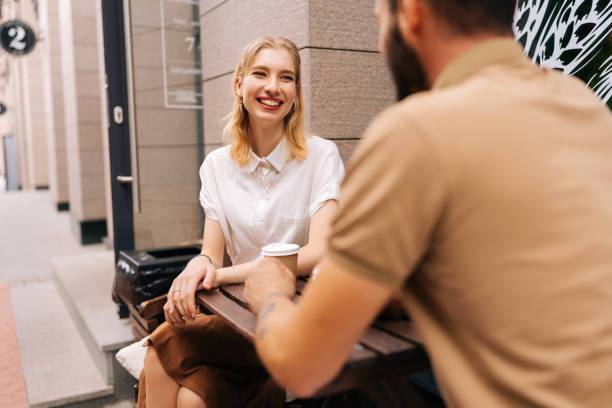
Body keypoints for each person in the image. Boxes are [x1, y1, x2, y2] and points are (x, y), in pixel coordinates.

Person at [244, 1, 612, 407]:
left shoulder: (416, 131)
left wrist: (270, 294)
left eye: (379, 21)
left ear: (412, 12)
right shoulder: (587, 108)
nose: (382, 46)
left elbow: (302, 364)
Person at [138, 36, 345, 408]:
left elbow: (319, 251)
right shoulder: (216, 166)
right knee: (185, 394)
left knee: (165, 352)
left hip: (292, 315)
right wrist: (197, 267)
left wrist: (221, 276)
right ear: (239, 84)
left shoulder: (321, 156)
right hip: (235, 317)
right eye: (260, 73)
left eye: (286, 77)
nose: (272, 87)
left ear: (296, 92)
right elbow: (211, 254)